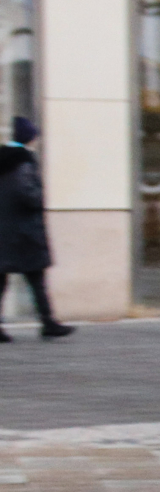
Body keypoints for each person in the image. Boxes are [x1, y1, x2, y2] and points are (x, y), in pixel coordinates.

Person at [0, 117, 72, 342]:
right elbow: (27, 194)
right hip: (22, 232)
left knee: (2, 281)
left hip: (4, 230)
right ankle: (48, 323)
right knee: (36, 278)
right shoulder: (23, 161)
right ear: (30, 137)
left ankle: (47, 323)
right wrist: (39, 198)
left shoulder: (3, 159)